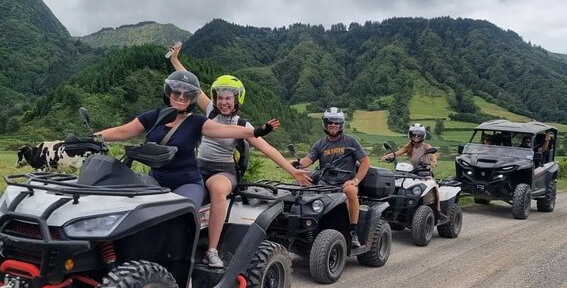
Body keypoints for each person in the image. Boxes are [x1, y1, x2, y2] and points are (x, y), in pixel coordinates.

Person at [169, 44, 311, 267]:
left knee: (216, 190)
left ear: (237, 100)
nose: (224, 102)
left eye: (229, 98)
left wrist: (293, 171)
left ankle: (212, 250)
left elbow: (268, 148)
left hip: (222, 171)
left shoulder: (242, 125)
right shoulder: (209, 111)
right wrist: (175, 59)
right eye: (220, 97)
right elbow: (189, 81)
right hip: (197, 166)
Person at [93, 70, 277, 213]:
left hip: (187, 182)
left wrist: (256, 131)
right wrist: (94, 137)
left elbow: (226, 130)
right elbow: (123, 131)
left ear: (192, 98)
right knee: (129, 206)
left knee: (179, 213)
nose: (181, 97)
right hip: (156, 179)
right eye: (177, 92)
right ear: (169, 93)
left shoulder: (197, 122)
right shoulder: (153, 116)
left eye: (186, 94)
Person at [293, 107, 370, 248]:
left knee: (351, 191)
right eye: (330, 122)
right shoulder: (320, 144)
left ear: (341, 124)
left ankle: (353, 231)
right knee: (298, 186)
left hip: (345, 183)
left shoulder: (351, 142)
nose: (333, 125)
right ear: (325, 123)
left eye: (337, 122)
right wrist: (293, 165)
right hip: (325, 183)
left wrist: (355, 180)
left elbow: (365, 162)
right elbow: (307, 161)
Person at [379, 123, 446, 220]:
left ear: (423, 135)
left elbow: (433, 155)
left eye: (419, 135)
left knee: (434, 187)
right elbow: (397, 153)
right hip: (411, 172)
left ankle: (438, 211)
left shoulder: (426, 147)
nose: (416, 137)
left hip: (424, 173)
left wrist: (434, 162)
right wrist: (387, 156)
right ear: (410, 135)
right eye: (414, 134)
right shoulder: (409, 147)